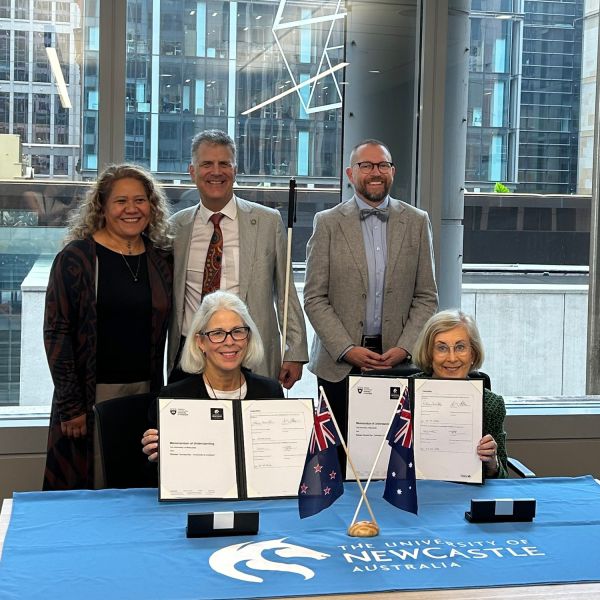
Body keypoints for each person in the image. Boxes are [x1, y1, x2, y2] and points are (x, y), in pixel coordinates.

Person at [43, 164, 173, 490]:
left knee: (138, 490)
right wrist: (71, 406)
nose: (131, 209)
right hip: (89, 398)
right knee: (89, 493)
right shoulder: (77, 258)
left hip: (146, 397)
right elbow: (56, 332)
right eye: (120, 201)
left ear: (152, 206)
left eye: (140, 200)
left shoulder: (161, 259)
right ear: (102, 207)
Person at [304, 138, 438, 439]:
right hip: (338, 367)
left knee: (393, 457)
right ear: (351, 174)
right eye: (366, 165)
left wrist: (404, 348)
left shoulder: (417, 222)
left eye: (382, 165)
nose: (375, 172)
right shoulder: (327, 223)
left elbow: (426, 297)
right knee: (339, 461)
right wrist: (347, 349)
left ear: (393, 171)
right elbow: (314, 298)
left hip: (398, 363)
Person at [167, 129, 308, 389]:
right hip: (191, 352)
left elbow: (286, 291)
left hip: (250, 350)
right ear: (192, 171)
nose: (216, 171)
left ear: (235, 169)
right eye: (207, 164)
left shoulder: (267, 222)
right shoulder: (176, 227)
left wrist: (295, 350)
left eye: (224, 164)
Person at [142, 291, 283, 462]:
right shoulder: (173, 397)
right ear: (200, 342)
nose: (229, 341)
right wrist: (157, 453)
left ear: (248, 338)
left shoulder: (270, 392)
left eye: (237, 331)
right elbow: (156, 470)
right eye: (217, 333)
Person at [412, 309, 508, 478]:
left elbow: (503, 478)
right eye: (441, 348)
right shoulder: (405, 393)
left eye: (460, 347)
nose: (452, 358)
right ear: (429, 354)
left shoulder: (492, 404)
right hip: (413, 491)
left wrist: (492, 462)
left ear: (473, 353)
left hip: (467, 494)